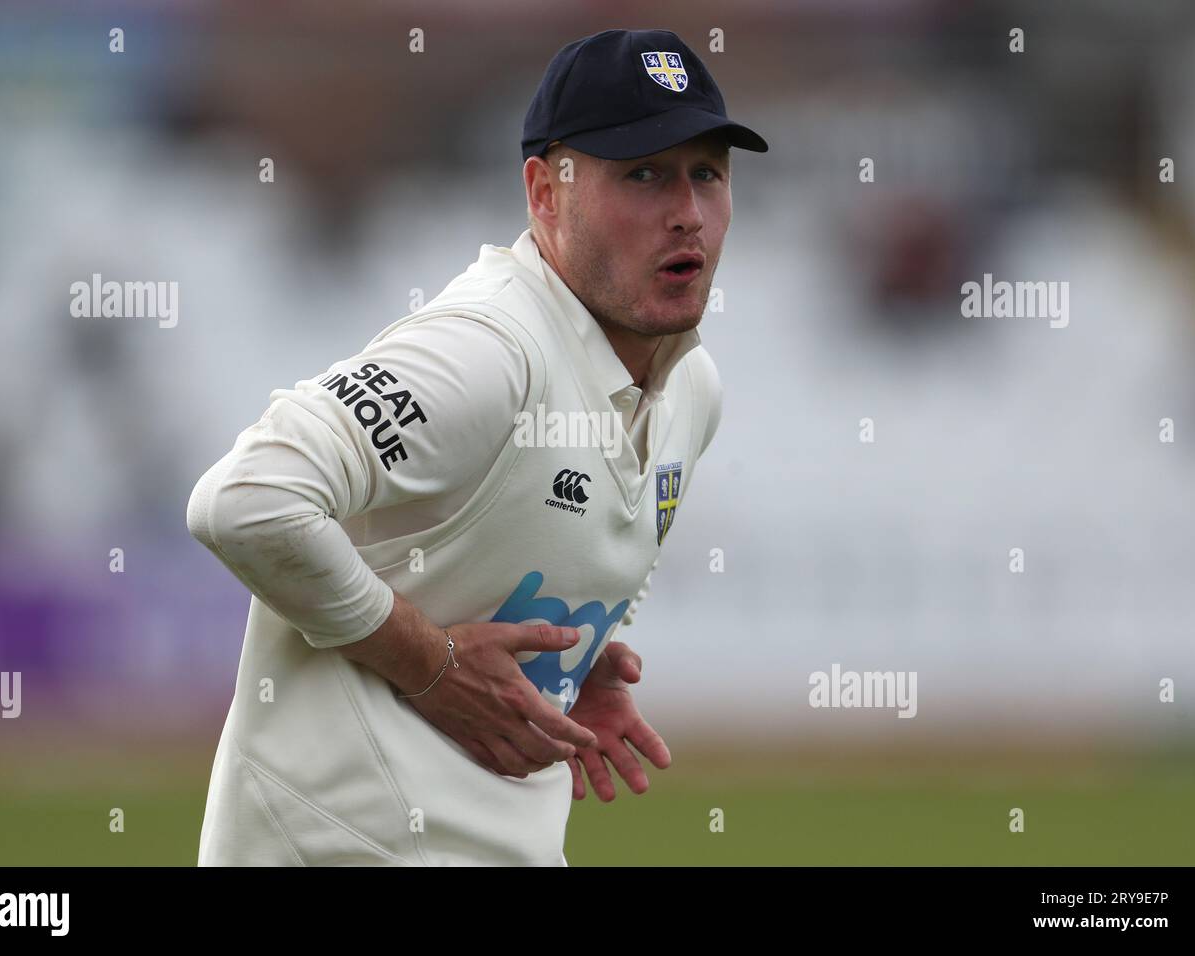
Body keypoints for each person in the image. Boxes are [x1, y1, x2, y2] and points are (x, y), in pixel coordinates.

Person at [185, 27, 767, 866]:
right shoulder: (487, 351)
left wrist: (574, 668)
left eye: (706, 173)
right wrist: (430, 667)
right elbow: (244, 501)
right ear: (545, 192)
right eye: (642, 174)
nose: (687, 212)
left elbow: (499, 548)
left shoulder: (691, 391)